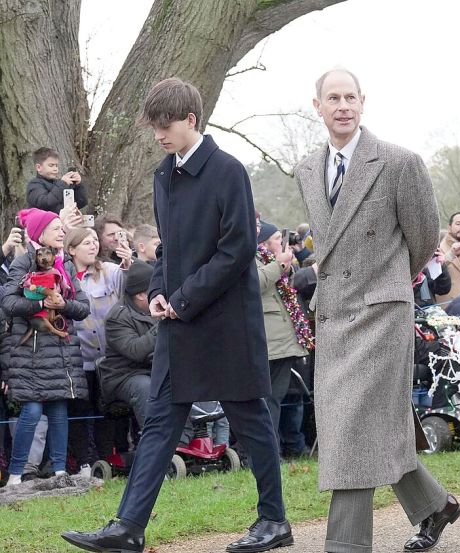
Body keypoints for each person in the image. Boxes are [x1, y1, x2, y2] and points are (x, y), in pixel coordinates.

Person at [62, 77, 290, 553]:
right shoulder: (163, 174)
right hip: (178, 325)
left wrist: (182, 298)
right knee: (161, 423)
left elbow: (238, 249)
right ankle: (128, 527)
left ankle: (274, 521)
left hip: (227, 324)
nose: (159, 136)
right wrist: (162, 290)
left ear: (191, 120)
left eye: (166, 126)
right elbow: (167, 249)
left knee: (251, 421)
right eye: (154, 128)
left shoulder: (228, 170)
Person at [294, 67, 460, 553]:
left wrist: (385, 282)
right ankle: (436, 505)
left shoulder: (398, 162)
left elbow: (424, 237)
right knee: (369, 427)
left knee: (350, 429)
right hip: (333, 316)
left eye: (350, 97)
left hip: (381, 315)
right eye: (333, 98)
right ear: (317, 106)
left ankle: (345, 546)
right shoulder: (307, 168)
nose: (342, 105)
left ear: (363, 102)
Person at [0, 208, 90, 487]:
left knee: (59, 410)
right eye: (56, 229)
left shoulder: (67, 266)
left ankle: (61, 471)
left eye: (62, 229)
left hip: (61, 349)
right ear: (39, 235)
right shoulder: (22, 263)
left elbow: (83, 307)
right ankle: (16, 474)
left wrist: (64, 305)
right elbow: (9, 303)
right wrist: (40, 304)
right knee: (32, 411)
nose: (62, 233)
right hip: (31, 351)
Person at [64, 227, 131, 477]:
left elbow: (132, 287)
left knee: (109, 410)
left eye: (95, 241)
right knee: (80, 413)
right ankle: (83, 463)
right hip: (79, 359)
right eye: (86, 242)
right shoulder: (65, 277)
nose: (93, 245)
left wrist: (129, 265)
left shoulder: (109, 271)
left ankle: (107, 460)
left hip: (110, 358)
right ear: (72, 249)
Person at [255, 221, 314, 443]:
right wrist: (279, 265)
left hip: (281, 342)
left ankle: (274, 450)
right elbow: (255, 284)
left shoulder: (269, 259)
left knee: (275, 399)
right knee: (265, 400)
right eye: (278, 239)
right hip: (267, 341)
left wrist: (284, 266)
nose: (283, 243)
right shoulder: (250, 256)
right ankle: (263, 451)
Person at [100, 260, 157, 427]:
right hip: (123, 375)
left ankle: (190, 439)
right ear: (141, 294)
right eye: (154, 290)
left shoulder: (153, 309)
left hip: (153, 369)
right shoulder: (117, 317)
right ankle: (155, 441)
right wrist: (162, 326)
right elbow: (135, 350)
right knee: (145, 386)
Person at [26, 147, 87, 213]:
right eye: (51, 165)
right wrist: (62, 184)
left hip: (64, 220)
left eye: (56, 165)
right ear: (38, 167)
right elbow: (46, 203)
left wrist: (77, 186)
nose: (55, 169)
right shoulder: (34, 185)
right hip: (45, 222)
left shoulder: (59, 184)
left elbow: (81, 203)